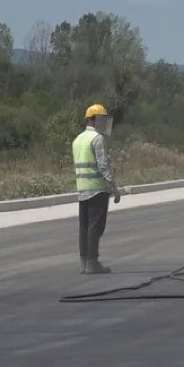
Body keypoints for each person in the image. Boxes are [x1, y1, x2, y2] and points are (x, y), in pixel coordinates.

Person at [73, 103, 121, 274]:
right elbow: (102, 164)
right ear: (97, 120)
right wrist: (113, 187)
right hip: (97, 190)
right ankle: (92, 263)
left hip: (82, 190)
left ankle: (84, 262)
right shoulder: (97, 139)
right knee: (96, 227)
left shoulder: (78, 139)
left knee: (84, 227)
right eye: (103, 119)